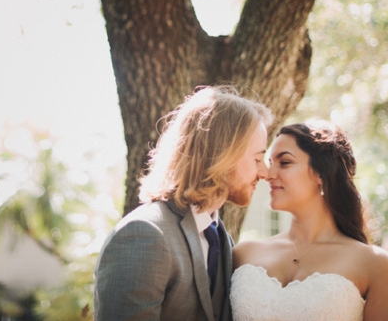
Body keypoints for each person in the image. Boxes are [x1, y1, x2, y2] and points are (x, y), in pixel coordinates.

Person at [94, 85, 273, 321]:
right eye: (258, 158)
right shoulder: (143, 235)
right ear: (223, 155)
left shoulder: (221, 238)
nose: (264, 172)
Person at [231, 121, 388, 321]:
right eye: (270, 163)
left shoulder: (375, 264)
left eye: (285, 162)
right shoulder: (242, 255)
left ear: (321, 174)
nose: (269, 175)